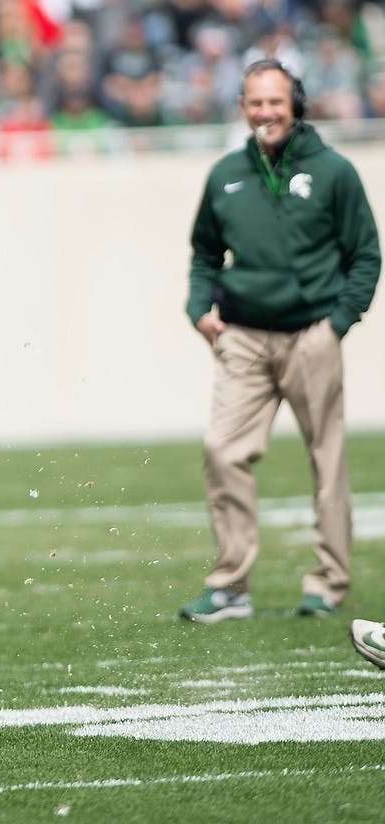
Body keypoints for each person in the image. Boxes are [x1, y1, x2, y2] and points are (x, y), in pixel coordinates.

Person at [179, 59, 380, 623]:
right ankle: (230, 586)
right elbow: (203, 253)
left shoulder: (335, 171)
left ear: (297, 103)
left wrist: (338, 323)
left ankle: (329, 582)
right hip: (242, 336)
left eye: (275, 101)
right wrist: (199, 308)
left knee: (327, 461)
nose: (265, 112)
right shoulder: (225, 174)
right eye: (254, 102)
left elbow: (366, 253)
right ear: (242, 107)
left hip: (313, 334)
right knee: (223, 451)